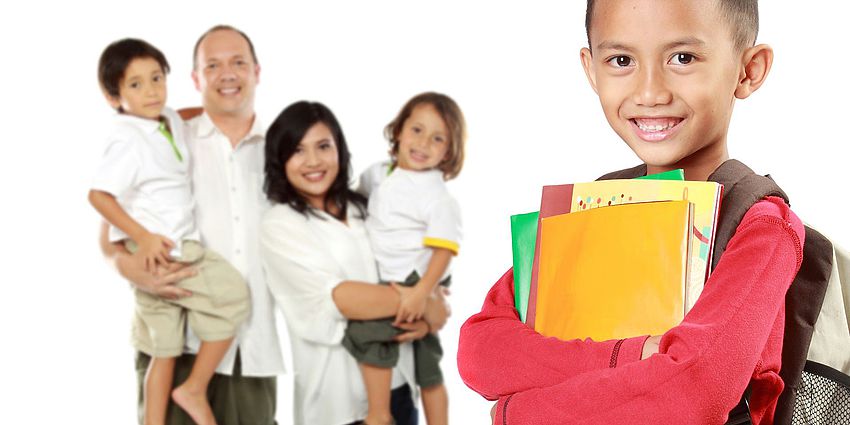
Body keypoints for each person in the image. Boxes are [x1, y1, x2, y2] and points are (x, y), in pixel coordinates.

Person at [457, 1, 806, 424]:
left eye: (683, 58)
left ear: (748, 70)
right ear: (591, 69)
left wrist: (515, 412)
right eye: (621, 60)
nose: (650, 92)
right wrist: (640, 354)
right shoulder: (588, 209)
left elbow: (692, 393)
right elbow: (481, 351)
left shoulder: (762, 225)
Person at [99, 26, 284, 425]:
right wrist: (126, 266)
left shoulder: (283, 149)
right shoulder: (169, 138)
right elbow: (108, 229)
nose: (227, 74)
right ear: (196, 78)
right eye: (212, 65)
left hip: (252, 348)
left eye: (238, 62)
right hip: (177, 343)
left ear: (257, 70)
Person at [259, 101, 449, 425]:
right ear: (281, 159)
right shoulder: (280, 224)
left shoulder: (365, 206)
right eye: (298, 151)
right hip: (336, 406)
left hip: (399, 388)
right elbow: (341, 299)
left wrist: (432, 313)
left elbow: (411, 263)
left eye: (323, 146)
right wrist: (426, 302)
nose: (314, 161)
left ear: (339, 150)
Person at [344, 92, 465, 425]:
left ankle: (381, 415)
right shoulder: (378, 174)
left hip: (412, 279)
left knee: (379, 339)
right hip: (385, 276)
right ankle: (381, 412)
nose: (423, 143)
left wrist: (422, 291)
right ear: (398, 131)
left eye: (437, 138)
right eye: (416, 130)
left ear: (448, 151)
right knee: (414, 354)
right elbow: (356, 205)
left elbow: (444, 249)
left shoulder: (435, 194)